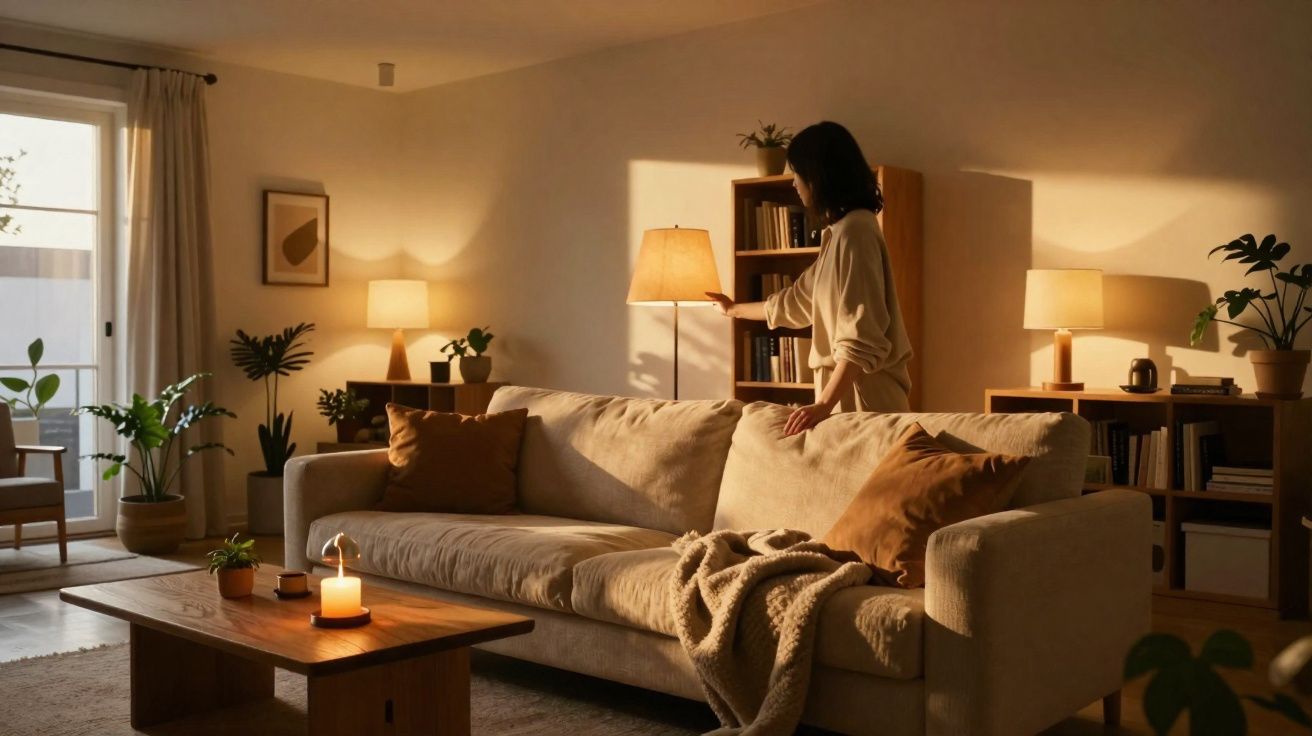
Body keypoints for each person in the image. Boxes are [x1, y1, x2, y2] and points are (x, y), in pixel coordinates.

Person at [707, 121, 912, 436]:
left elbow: (861, 338)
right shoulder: (839, 235)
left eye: (797, 173)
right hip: (844, 401)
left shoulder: (856, 233)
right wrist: (732, 309)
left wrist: (823, 405)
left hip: (863, 403)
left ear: (818, 176)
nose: (794, 184)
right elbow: (793, 303)